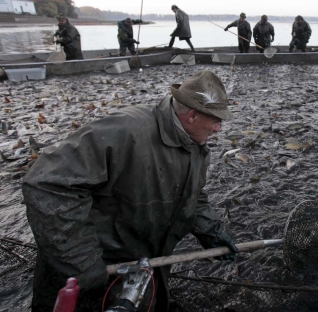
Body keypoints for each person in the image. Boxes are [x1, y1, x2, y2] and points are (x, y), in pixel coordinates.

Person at [23, 70, 239, 311]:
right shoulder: (124, 131)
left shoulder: (196, 146)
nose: (219, 128)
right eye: (216, 120)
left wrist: (211, 231)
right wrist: (82, 261)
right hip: (90, 276)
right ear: (192, 115)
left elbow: (192, 195)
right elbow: (47, 184)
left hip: (141, 268)